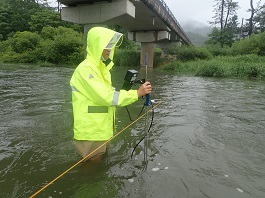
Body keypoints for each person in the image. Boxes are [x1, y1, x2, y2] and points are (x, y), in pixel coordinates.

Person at [70, 27, 152, 161]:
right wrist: (136, 93)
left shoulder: (101, 68)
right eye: (106, 45)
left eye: (111, 45)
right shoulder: (86, 69)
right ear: (96, 45)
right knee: (90, 171)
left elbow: (109, 94)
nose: (109, 49)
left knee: (98, 166)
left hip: (100, 129)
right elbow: (106, 97)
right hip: (91, 131)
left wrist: (132, 92)